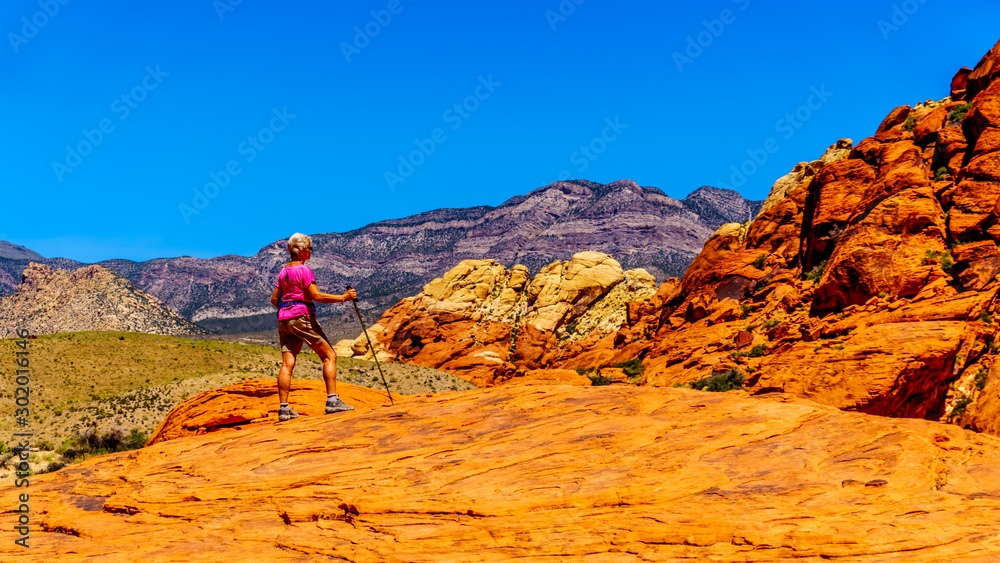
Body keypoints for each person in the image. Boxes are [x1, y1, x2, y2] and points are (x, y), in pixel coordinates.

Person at [270, 233, 358, 422]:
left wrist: (288, 308)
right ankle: (332, 401)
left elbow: (273, 299)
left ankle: (284, 409)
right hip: (302, 317)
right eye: (309, 249)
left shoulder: (283, 271)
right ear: (301, 251)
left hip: (284, 319)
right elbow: (316, 296)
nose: (310, 252)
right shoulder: (304, 270)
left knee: (287, 364)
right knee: (329, 356)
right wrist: (344, 297)